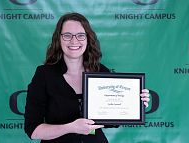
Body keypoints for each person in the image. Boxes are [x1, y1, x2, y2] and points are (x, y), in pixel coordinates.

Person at [24, 12, 150, 143]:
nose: (74, 41)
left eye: (80, 35)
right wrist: (71, 128)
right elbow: (33, 130)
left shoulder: (100, 71)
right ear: (58, 39)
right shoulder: (44, 74)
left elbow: (111, 121)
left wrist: (135, 102)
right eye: (67, 35)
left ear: (88, 39)